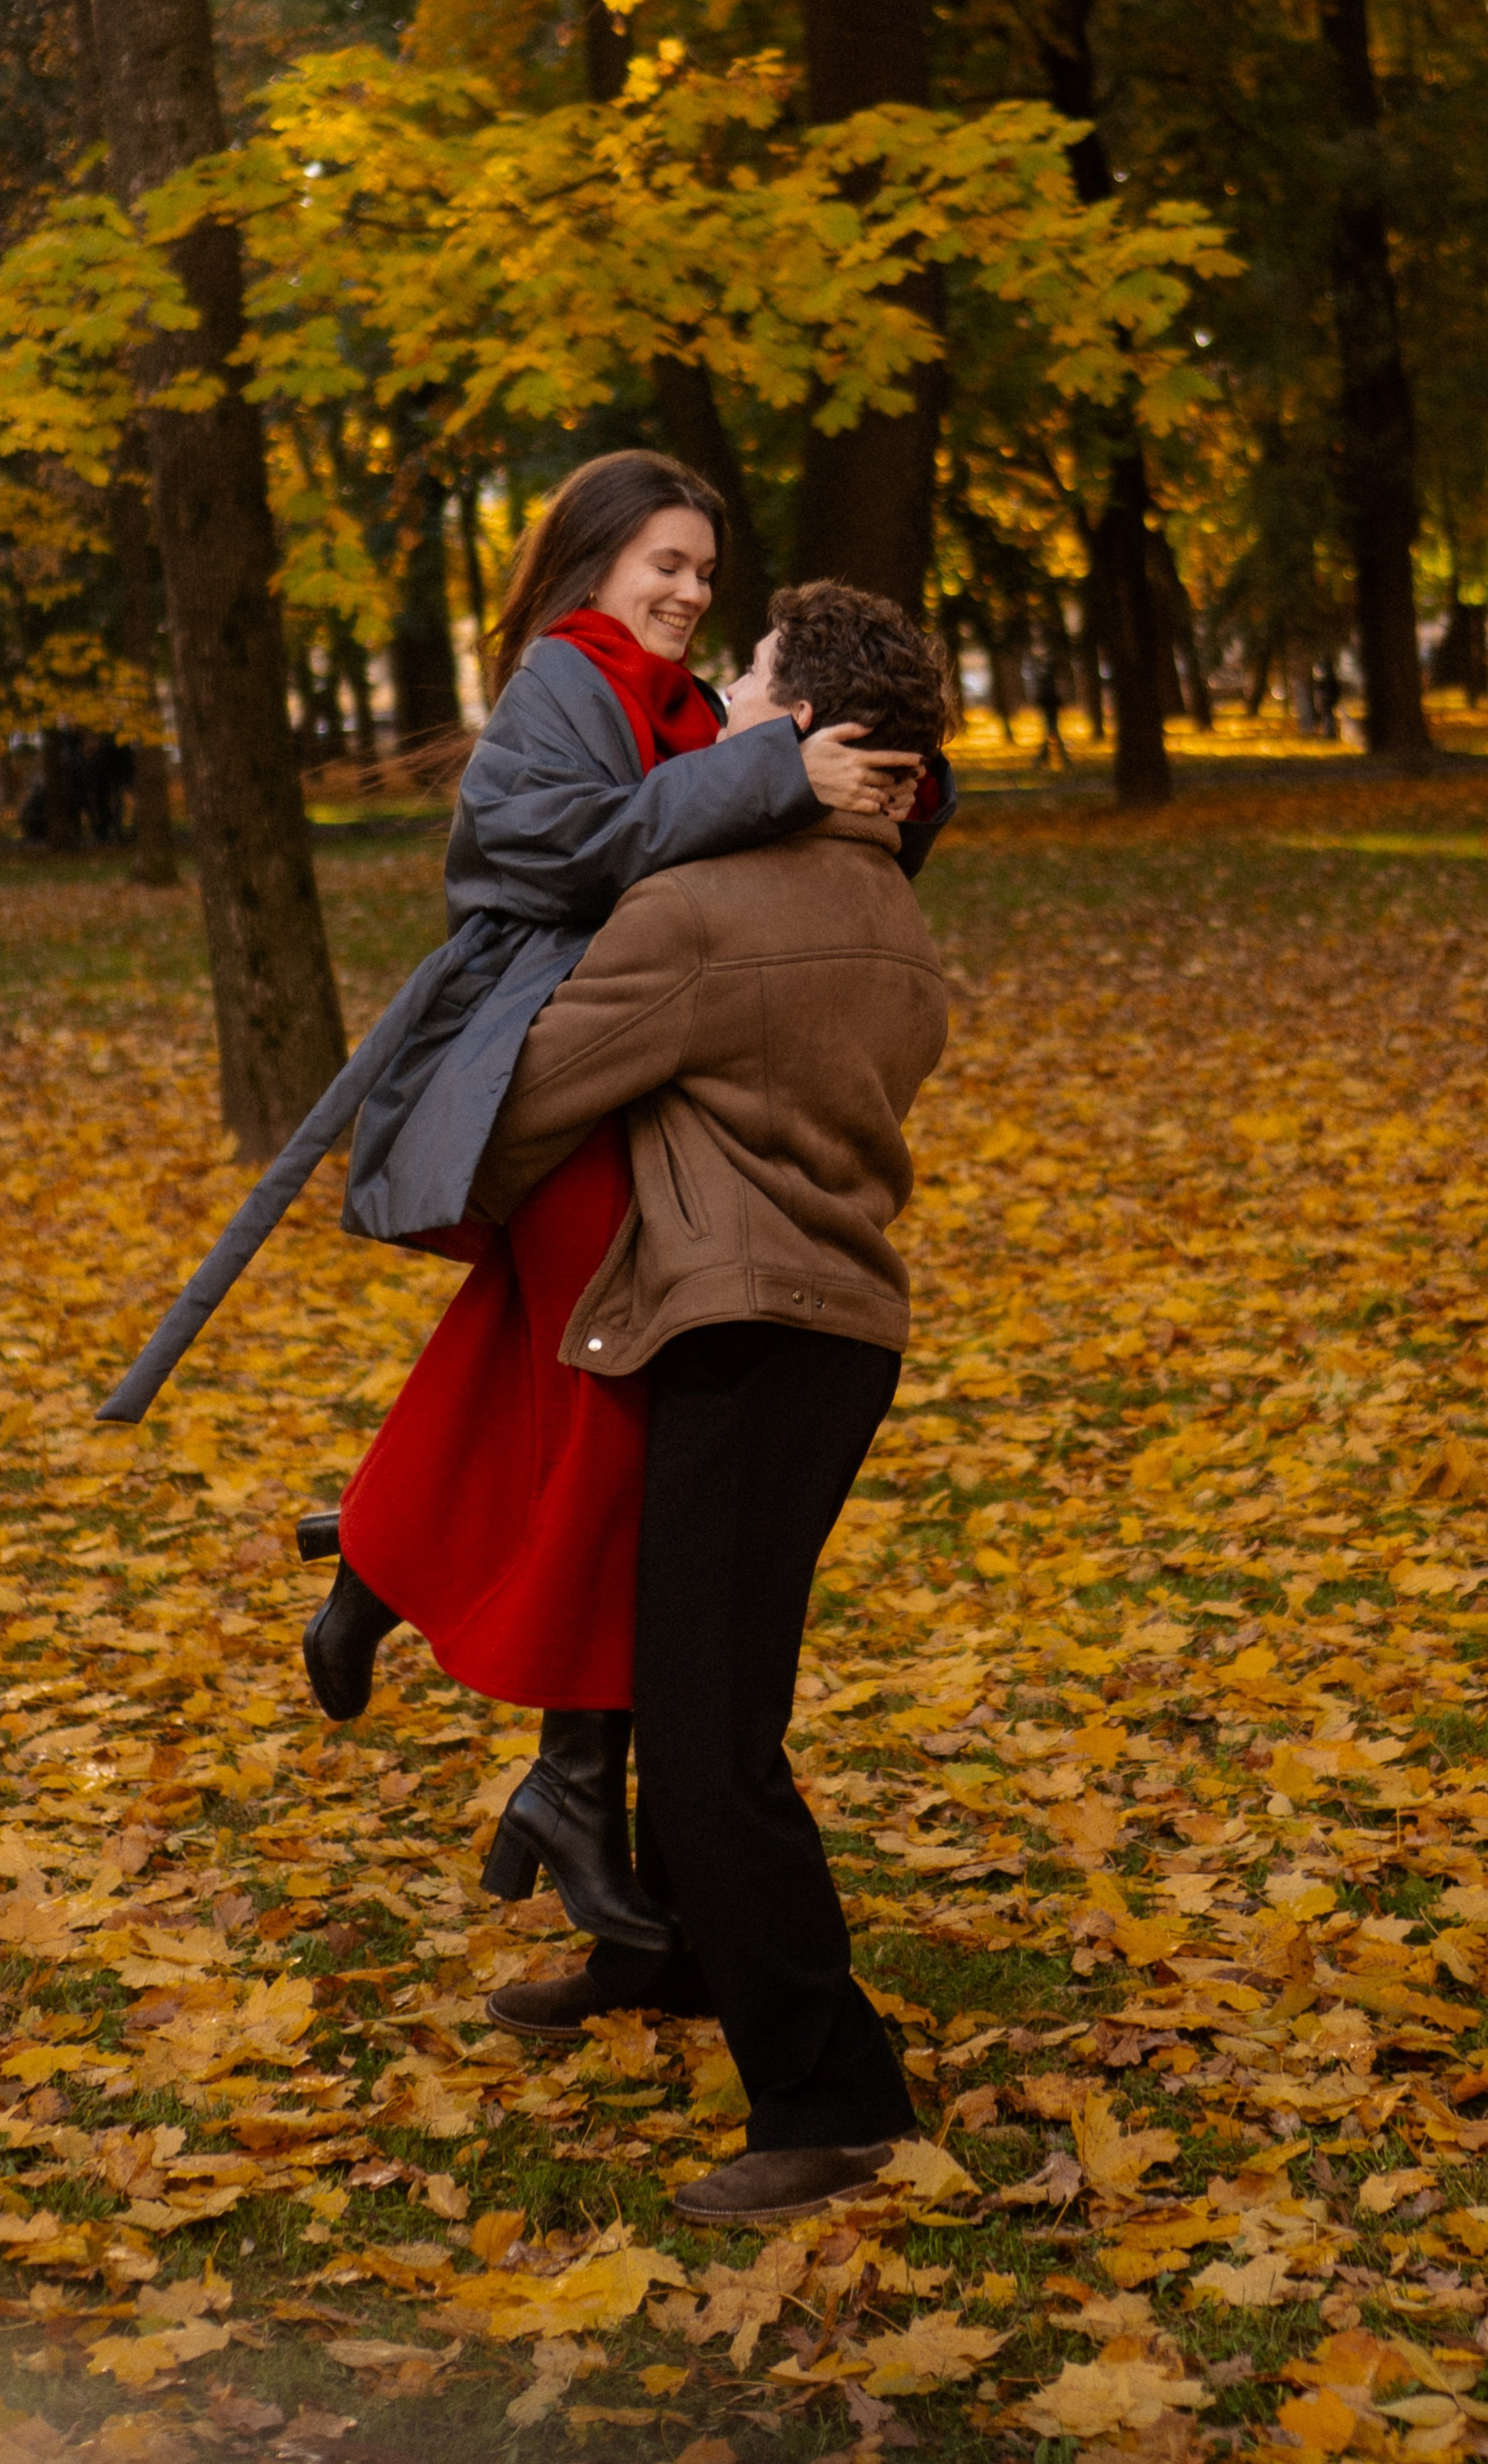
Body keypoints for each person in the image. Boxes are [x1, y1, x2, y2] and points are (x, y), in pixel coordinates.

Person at [299, 453, 946, 1969]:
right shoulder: (560, 684)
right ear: (590, 559)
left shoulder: (673, 700)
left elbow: (757, 781)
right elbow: (553, 850)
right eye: (665, 561)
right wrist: (782, 774)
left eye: (706, 572)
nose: (689, 593)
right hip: (565, 1065)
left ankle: (421, 1607)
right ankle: (554, 1756)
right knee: (612, 1433)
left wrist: (875, 762)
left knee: (582, 1409)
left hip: (637, 1087)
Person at [461, 581, 954, 2224]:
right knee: (684, 1670)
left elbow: (523, 1104)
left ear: (797, 726)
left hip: (744, 1332)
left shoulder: (702, 911)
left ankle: (834, 2099)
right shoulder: (890, 906)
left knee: (705, 1736)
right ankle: (663, 1956)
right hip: (835, 1331)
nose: (720, 691)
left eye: (747, 675)